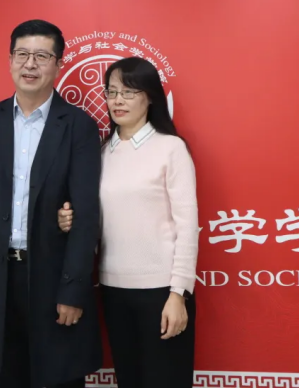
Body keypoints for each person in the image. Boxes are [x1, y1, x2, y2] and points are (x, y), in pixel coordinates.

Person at [0, 19, 103, 388]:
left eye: (41, 56)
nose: (30, 64)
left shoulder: (77, 125)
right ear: (10, 60)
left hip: (52, 276)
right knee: (8, 376)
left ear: (58, 64)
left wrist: (73, 289)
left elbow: (85, 216)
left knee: (60, 377)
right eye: (22, 54)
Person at [56, 57, 199, 388]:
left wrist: (178, 293)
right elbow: (96, 223)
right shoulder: (101, 153)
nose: (117, 100)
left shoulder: (171, 148)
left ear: (150, 97)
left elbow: (187, 227)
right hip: (112, 291)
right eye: (111, 92)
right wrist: (69, 222)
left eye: (129, 92)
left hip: (161, 292)